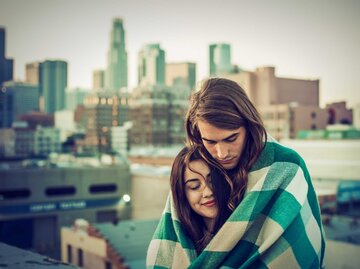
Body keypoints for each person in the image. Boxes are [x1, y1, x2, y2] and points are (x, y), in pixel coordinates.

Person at [147, 78, 325, 269]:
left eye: (231, 138)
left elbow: (300, 246)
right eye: (210, 142)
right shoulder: (197, 164)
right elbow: (170, 242)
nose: (222, 153)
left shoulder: (285, 166)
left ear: (249, 125)